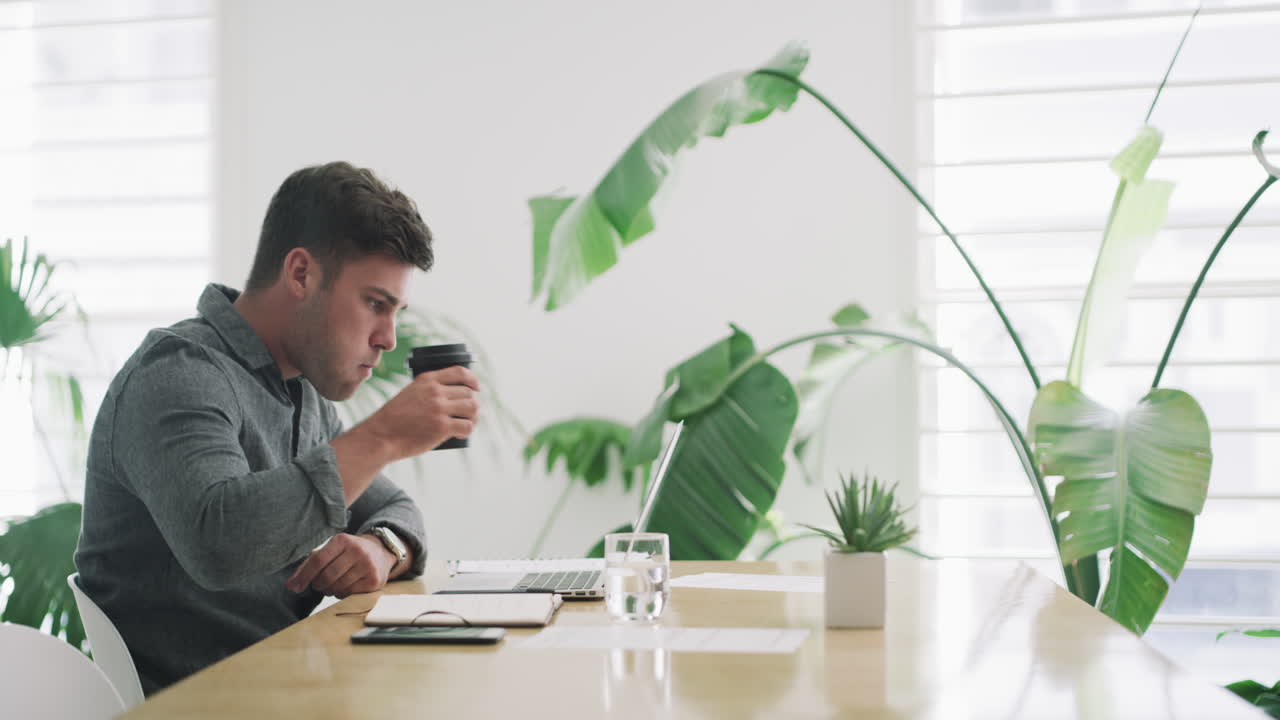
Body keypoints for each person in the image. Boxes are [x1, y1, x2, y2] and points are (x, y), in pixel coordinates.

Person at [74, 161, 480, 695]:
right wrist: (381, 437)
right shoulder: (178, 375)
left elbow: (394, 509)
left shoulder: (302, 393)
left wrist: (382, 547)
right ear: (301, 274)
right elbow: (220, 544)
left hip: (287, 688)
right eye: (375, 304)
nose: (387, 336)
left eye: (396, 310)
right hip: (195, 705)